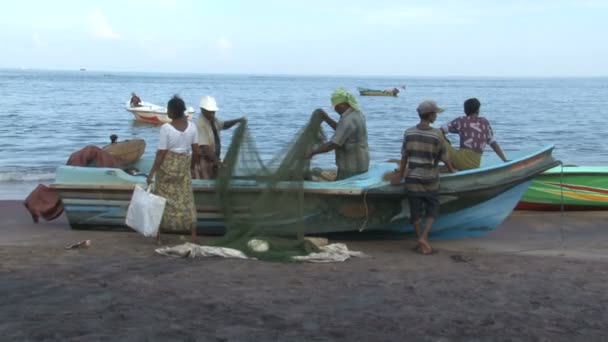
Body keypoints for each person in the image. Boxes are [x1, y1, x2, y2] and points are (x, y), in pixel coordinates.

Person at [391, 100, 455, 255]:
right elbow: (444, 157)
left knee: (415, 211)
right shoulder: (437, 134)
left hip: (412, 178)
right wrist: (452, 170)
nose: (436, 116)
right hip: (430, 178)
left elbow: (404, 157)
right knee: (432, 209)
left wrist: (400, 174)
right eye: (435, 114)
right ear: (430, 115)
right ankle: (424, 237)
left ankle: (420, 240)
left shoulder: (409, 132)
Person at [147, 95, 199, 244]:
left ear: (173, 111)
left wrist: (152, 173)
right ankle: (193, 235)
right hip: (183, 167)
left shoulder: (166, 128)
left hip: (167, 167)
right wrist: (192, 168)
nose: (167, 112)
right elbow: (196, 151)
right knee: (187, 199)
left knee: (161, 199)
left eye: (168, 109)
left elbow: (161, 153)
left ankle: (158, 236)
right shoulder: (192, 126)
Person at [306, 88, 370, 180]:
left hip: (351, 166)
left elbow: (333, 144)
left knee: (347, 187)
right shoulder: (357, 113)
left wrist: (313, 152)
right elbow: (343, 131)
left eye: (336, 106)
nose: (335, 109)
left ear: (342, 105)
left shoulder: (347, 120)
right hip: (362, 162)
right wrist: (326, 118)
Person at [440, 98, 508, 170]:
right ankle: (450, 167)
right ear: (477, 110)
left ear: (465, 110)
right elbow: (493, 143)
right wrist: (504, 160)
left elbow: (441, 130)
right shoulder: (484, 122)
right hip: (475, 165)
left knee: (436, 137)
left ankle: (437, 163)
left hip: (461, 161)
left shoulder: (461, 120)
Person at [194, 95, 245, 179]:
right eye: (210, 111)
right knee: (208, 184)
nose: (212, 114)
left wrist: (238, 120)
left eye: (213, 111)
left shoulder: (212, 119)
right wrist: (218, 162)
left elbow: (223, 125)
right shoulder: (200, 124)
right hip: (205, 163)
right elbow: (205, 148)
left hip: (214, 161)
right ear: (202, 110)